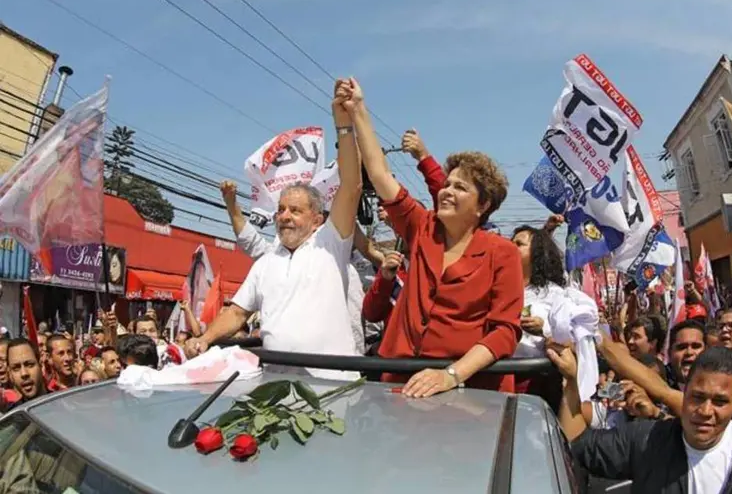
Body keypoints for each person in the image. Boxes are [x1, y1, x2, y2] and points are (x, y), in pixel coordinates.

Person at [349, 76, 523, 397]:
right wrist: (358, 108)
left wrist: (451, 375)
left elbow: (505, 331)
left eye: (460, 187)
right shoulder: (422, 226)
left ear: (483, 205)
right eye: (447, 184)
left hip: (469, 393)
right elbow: (379, 173)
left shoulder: (503, 253)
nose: (446, 191)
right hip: (398, 382)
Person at [185, 79, 363, 381]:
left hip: (333, 383)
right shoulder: (266, 263)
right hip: (275, 382)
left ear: (317, 219)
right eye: (280, 210)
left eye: (295, 210)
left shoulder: (331, 242)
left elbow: (352, 185)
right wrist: (205, 338)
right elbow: (238, 313)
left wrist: (343, 123)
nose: (284, 216)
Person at [551, 345, 732, 493]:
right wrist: (570, 380)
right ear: (684, 391)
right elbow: (573, 444)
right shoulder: (647, 440)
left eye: (719, 401)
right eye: (697, 397)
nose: (706, 411)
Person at [509, 225, 566, 408]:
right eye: (511, 242)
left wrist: (544, 329)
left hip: (536, 379)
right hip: (497, 375)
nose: (512, 247)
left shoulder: (553, 293)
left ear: (536, 253)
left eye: (519, 244)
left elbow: (569, 337)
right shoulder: (495, 288)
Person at [6, 339, 46, 408]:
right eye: (16, 368)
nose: (24, 373)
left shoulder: (63, 404)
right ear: (10, 374)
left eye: (30, 365)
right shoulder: (12, 417)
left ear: (41, 366)